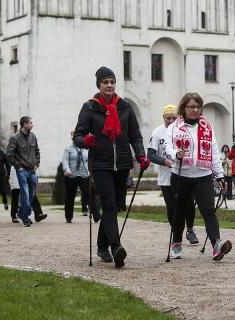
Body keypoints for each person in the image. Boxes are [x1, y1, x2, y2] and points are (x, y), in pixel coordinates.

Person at [74, 66, 150, 268]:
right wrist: (86, 141)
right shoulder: (89, 107)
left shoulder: (125, 107)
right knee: (108, 204)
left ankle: (101, 246)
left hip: (123, 164)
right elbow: (78, 135)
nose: (109, 85)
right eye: (105, 82)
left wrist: (141, 155)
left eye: (112, 81)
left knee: (114, 206)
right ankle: (116, 247)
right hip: (101, 163)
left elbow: (135, 134)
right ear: (99, 85)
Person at [165, 92, 232, 260]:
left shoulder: (206, 127)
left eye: (198, 107)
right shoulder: (174, 127)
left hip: (203, 175)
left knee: (208, 210)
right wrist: (175, 153)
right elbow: (167, 147)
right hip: (182, 175)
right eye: (191, 107)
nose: (195, 110)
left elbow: (214, 153)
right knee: (180, 211)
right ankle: (177, 242)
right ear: (184, 108)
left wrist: (219, 175)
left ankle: (216, 244)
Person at [147, 104, 199, 245]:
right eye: (168, 118)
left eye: (173, 118)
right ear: (163, 117)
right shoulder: (157, 132)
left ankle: (190, 229)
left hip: (185, 174)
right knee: (171, 207)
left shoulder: (183, 130)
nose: (170, 121)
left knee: (189, 204)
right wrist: (165, 161)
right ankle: (176, 230)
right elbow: (150, 154)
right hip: (166, 177)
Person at [6, 116, 47, 226]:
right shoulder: (15, 138)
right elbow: (9, 155)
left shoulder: (33, 136)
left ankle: (21, 213)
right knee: (24, 193)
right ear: (24, 124)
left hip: (32, 171)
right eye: (30, 123)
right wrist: (18, 166)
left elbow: (37, 151)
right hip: (22, 170)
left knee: (31, 194)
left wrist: (37, 163)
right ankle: (25, 218)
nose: (32, 125)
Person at [62, 130, 90, 223]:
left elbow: (89, 160)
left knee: (88, 194)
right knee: (70, 196)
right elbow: (65, 161)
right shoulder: (68, 149)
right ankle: (68, 216)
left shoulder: (86, 148)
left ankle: (96, 213)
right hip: (71, 175)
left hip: (84, 175)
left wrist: (90, 171)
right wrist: (67, 169)